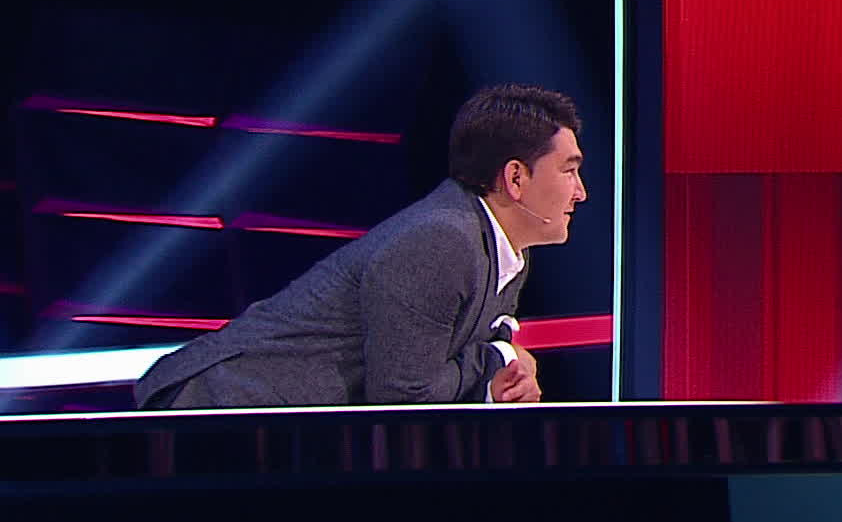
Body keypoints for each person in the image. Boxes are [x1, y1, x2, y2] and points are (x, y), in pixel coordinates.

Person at [134, 84, 588, 408]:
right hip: (219, 413)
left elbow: (464, 356)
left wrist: (504, 376)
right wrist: (499, 359)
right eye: (569, 171)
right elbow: (405, 396)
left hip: (284, 434)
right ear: (515, 178)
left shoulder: (504, 248)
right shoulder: (442, 240)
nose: (580, 192)